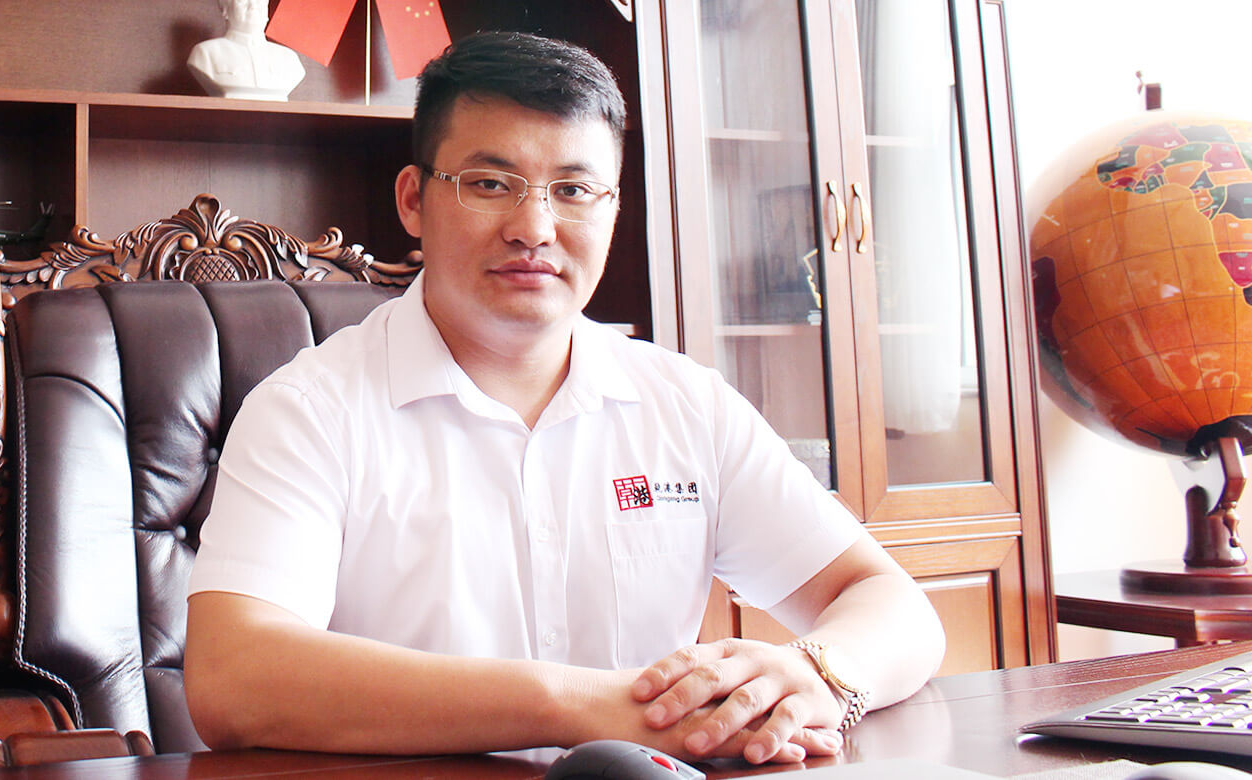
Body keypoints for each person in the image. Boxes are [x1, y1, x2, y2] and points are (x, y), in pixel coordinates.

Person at [181, 31, 944, 764]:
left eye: (574, 190)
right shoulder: (310, 411)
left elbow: (890, 602)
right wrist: (573, 704)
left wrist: (818, 672)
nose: (535, 228)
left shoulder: (686, 405)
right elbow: (234, 677)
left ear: (613, 207)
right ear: (413, 199)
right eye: (490, 184)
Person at [187, 0, 304, 101]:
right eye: (243, 1)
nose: (253, 6)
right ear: (225, 10)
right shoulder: (205, 53)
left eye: (259, 1)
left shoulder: (289, 58)